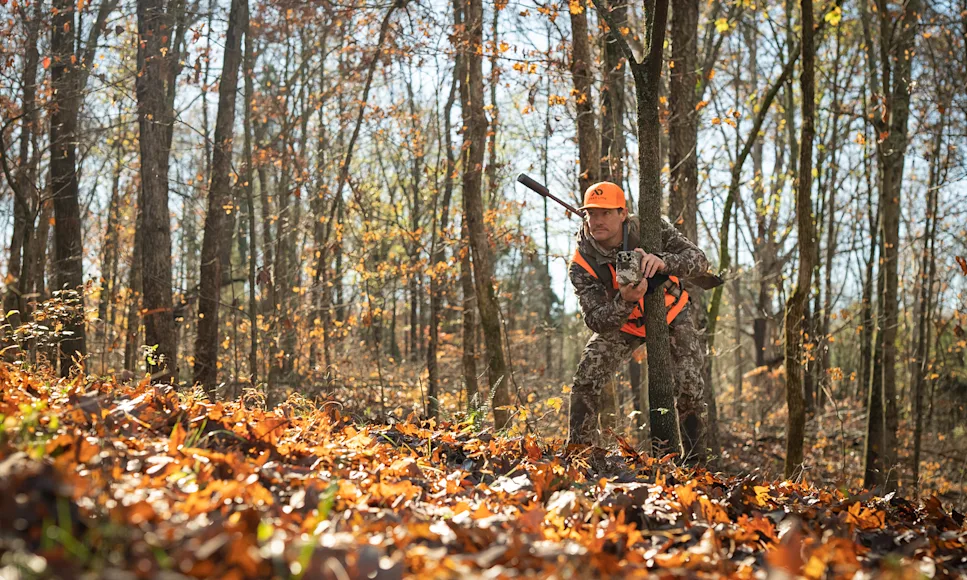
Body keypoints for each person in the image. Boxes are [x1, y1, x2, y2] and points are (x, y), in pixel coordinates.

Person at [567, 181, 711, 461]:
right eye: (591, 214)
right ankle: (580, 457)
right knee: (585, 381)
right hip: (623, 322)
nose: (597, 221)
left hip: (671, 313)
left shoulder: (650, 228)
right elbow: (596, 319)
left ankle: (696, 467)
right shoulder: (582, 261)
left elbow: (698, 260)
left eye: (606, 213)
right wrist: (626, 300)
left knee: (691, 389)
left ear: (623, 213)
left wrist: (662, 261)